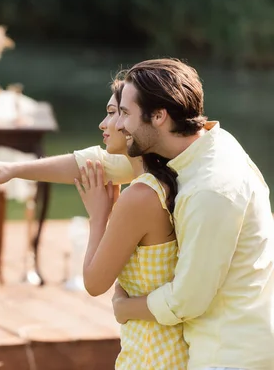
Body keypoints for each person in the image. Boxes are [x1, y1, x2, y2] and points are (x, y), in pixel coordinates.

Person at [0, 58, 274, 370]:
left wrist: (124, 307)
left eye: (124, 113)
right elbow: (102, 163)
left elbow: (188, 300)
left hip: (231, 353)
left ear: (159, 116)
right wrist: (11, 170)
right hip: (200, 345)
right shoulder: (194, 148)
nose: (117, 124)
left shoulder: (211, 191)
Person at [74, 79, 188, 368]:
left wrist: (99, 215)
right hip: (170, 349)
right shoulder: (164, 182)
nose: (106, 123)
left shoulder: (139, 196)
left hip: (152, 354)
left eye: (117, 113)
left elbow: (94, 282)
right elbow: (85, 163)